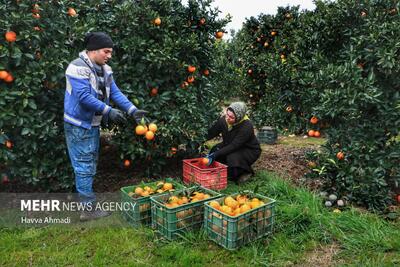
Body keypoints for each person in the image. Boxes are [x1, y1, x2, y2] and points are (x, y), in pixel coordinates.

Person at [63, 32, 148, 221]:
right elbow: (84, 97)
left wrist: (132, 110)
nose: (109, 55)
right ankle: (88, 209)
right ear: (93, 50)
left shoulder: (105, 69)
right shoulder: (77, 67)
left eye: (110, 52)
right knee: (84, 166)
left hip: (92, 123)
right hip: (78, 124)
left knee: (89, 163)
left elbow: (115, 92)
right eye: (106, 51)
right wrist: (108, 111)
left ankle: (86, 202)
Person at [205, 102, 261, 184]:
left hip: (248, 149)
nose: (227, 118)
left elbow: (234, 146)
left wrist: (215, 154)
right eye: (227, 114)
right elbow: (211, 133)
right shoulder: (224, 120)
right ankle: (230, 170)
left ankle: (245, 172)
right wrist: (198, 141)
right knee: (215, 149)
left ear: (239, 117)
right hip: (230, 144)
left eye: (231, 117)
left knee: (232, 158)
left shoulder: (246, 126)